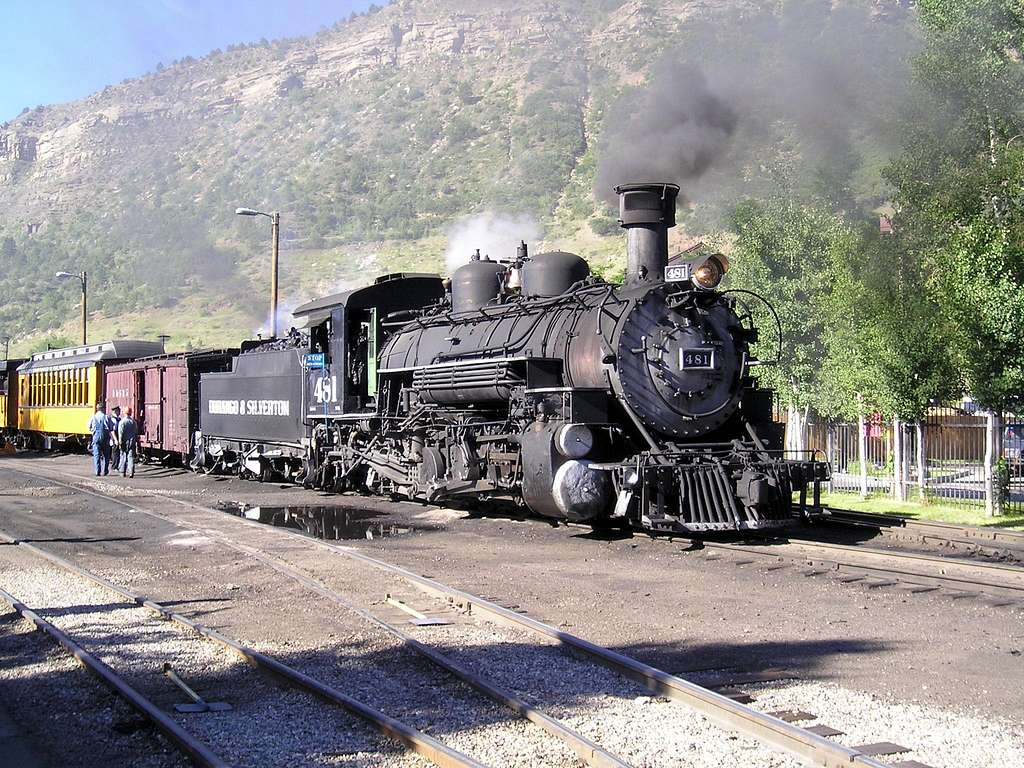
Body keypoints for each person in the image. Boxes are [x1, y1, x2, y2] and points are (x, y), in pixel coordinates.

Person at [86, 403, 112, 476]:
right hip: (105, 438)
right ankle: (105, 470)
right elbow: (111, 427)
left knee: (97, 455)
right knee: (106, 455)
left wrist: (93, 431)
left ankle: (98, 471)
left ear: (97, 409)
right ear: (103, 409)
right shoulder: (107, 417)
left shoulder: (93, 417)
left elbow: (89, 427)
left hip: (96, 437)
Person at [117, 408, 138, 478]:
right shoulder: (133, 422)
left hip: (124, 441)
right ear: (130, 413)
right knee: (130, 457)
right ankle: (131, 472)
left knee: (123, 456)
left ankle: (122, 472)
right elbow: (135, 432)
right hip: (132, 442)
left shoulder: (122, 422)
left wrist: (120, 441)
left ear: (124, 413)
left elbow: (120, 433)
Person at [109, 405, 122, 472]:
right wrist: (115, 439)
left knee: (117, 452)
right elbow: (112, 430)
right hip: (115, 437)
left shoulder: (118, 419)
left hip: (118, 436)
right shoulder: (113, 419)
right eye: (118, 411)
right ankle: (114, 466)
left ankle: (116, 465)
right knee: (115, 452)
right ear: (115, 411)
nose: (120, 412)